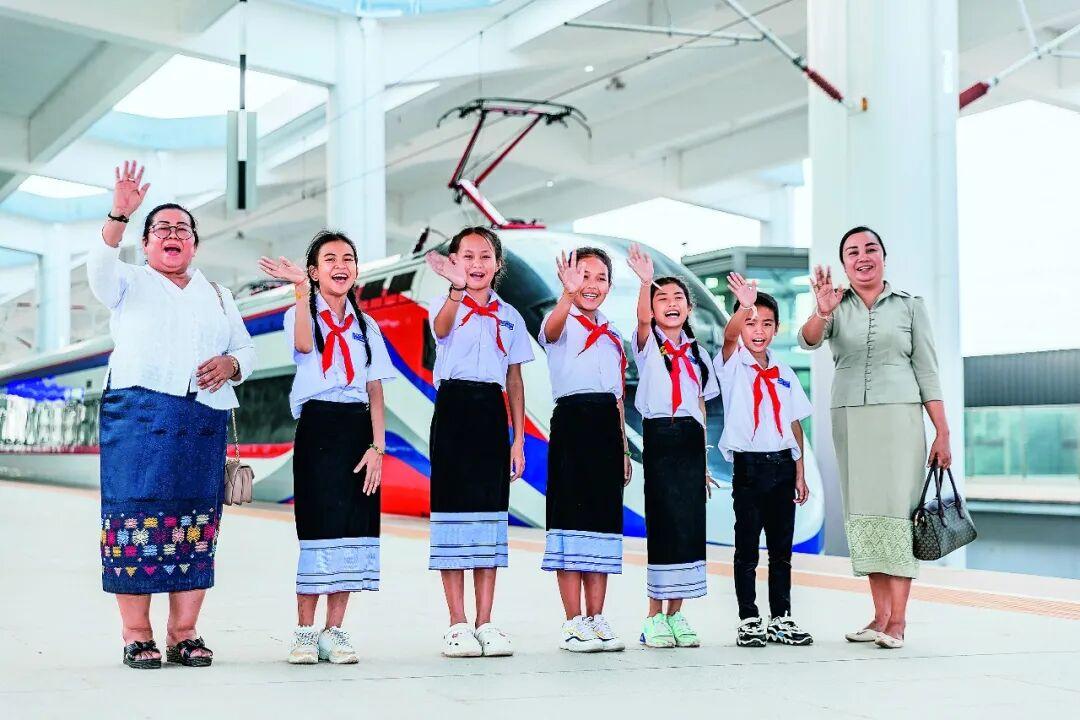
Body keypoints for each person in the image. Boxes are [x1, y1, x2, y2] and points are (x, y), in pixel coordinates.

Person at [90, 161, 256, 669]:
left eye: (182, 229)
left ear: (195, 246)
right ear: (145, 245)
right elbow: (98, 268)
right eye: (161, 229)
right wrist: (119, 213)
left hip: (201, 421)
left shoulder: (220, 296)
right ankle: (136, 635)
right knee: (132, 521)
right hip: (136, 418)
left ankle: (184, 633)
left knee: (196, 525)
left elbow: (246, 350)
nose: (172, 235)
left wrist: (231, 364)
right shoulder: (128, 282)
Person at [799, 226, 950, 650]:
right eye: (852, 252)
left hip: (899, 418)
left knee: (898, 514)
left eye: (870, 249)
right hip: (850, 418)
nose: (862, 257)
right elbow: (808, 340)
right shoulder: (834, 303)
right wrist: (823, 310)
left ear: (883, 256)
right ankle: (880, 616)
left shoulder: (910, 306)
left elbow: (928, 371)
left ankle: (898, 620)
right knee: (865, 515)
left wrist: (942, 431)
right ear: (844, 263)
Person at [259, 232, 397, 665]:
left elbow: (375, 390)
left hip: (357, 428)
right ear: (315, 272)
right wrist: (301, 292)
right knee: (317, 527)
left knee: (352, 528)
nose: (341, 265)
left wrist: (378, 447)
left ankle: (334, 631)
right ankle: (304, 632)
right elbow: (304, 345)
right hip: (318, 426)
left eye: (348, 258)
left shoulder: (367, 326)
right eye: (330, 258)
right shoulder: (299, 312)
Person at [424, 227, 534, 658]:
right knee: (452, 518)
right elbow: (441, 329)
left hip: (491, 412)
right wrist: (455, 290)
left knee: (490, 520)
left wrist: (518, 439)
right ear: (454, 262)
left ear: (497, 264)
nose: (476, 264)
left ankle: (485, 622)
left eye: (485, 256)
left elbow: (514, 380)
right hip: (453, 409)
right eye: (467, 256)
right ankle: (456, 624)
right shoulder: (444, 303)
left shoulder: (511, 316)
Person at [626, 243, 720, 649]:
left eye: (678, 297)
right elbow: (641, 321)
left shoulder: (699, 354)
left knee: (688, 527)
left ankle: (676, 613)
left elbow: (700, 406)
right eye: (661, 298)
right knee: (664, 524)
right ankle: (653, 616)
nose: (670, 303)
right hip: (660, 437)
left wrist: (703, 463)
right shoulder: (647, 345)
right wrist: (645, 282)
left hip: (690, 441)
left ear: (689, 308)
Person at [538, 247, 632, 653]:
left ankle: (596, 617)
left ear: (609, 285)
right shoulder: (560, 319)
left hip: (607, 430)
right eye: (583, 276)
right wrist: (567, 293)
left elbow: (618, 397)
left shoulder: (612, 334)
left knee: (602, 525)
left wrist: (624, 449)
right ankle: (572, 622)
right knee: (570, 521)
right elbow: (551, 332)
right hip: (573, 425)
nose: (591, 285)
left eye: (599, 278)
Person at [717, 276, 813, 648]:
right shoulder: (732, 363)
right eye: (750, 322)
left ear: (776, 328)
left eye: (766, 324)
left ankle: (781, 617)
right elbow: (728, 337)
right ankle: (749, 618)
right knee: (746, 549)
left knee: (781, 551)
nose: (758, 331)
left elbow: (794, 423)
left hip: (783, 467)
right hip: (749, 468)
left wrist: (800, 471)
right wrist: (744, 305)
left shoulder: (784, 371)